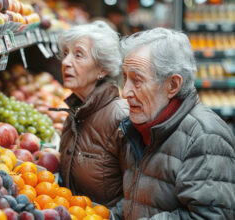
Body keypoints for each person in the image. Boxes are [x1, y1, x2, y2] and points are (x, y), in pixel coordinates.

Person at [113, 27, 235, 219]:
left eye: (137, 80)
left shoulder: (205, 137)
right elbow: (139, 201)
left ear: (172, 85)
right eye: (125, 78)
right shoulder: (139, 128)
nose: (125, 92)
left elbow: (210, 215)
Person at [53, 20, 129, 207]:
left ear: (102, 69)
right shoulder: (76, 111)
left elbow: (139, 196)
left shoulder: (122, 119)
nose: (66, 62)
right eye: (65, 53)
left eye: (78, 55)